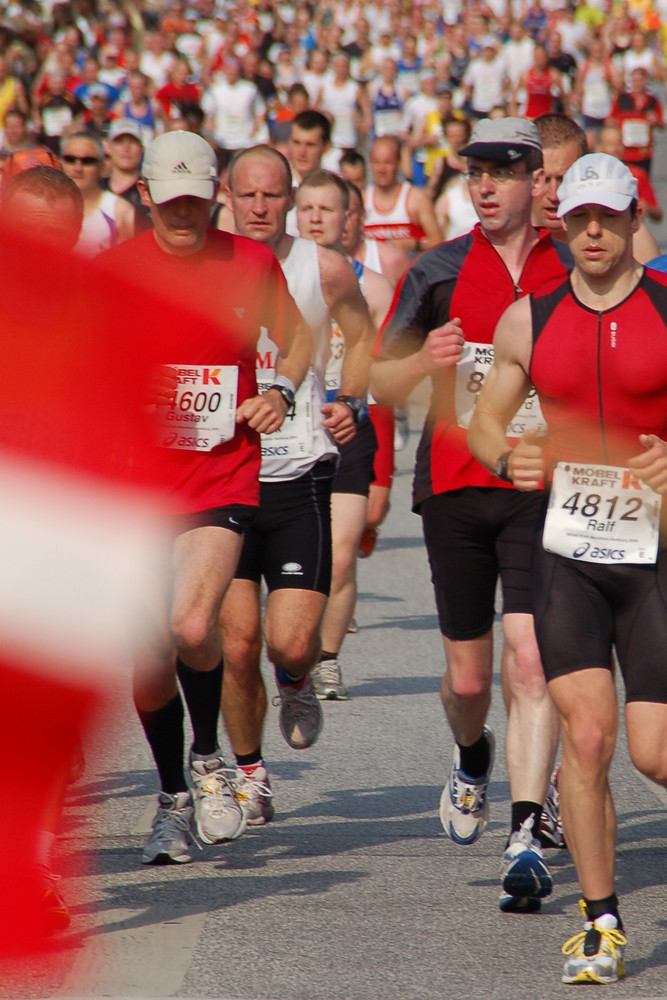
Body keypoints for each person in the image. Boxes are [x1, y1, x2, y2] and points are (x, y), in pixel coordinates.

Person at [467, 151, 667, 985]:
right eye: (578, 217)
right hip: (568, 554)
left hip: (654, 557)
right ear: (562, 221)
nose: (592, 231)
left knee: (655, 753)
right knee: (585, 736)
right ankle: (600, 922)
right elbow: (481, 420)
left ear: (631, 222)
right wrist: (506, 455)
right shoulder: (527, 318)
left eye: (607, 218)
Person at [371, 118, 571, 913]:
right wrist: (427, 360)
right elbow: (379, 380)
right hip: (453, 487)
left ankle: (525, 832)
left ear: (535, 180)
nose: (484, 185)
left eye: (502, 170)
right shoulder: (439, 268)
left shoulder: (570, 268)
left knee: (529, 658)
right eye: (474, 172)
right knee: (467, 677)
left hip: (537, 487)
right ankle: (470, 753)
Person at [99, 130, 312, 865]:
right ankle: (172, 800)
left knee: (193, 626)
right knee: (150, 656)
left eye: (197, 199)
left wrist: (279, 389)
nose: (184, 214)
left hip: (219, 475)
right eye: (171, 200)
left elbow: (298, 337)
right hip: (132, 487)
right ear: (146, 194)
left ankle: (208, 757)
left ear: (211, 195)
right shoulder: (116, 271)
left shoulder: (248, 262)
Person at [220, 145, 374, 821]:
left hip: (296, 471)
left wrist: (352, 400)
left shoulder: (324, 267)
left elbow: (362, 334)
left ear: (289, 198)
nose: (259, 208)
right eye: (246, 195)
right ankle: (249, 770)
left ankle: (295, 676)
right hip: (219, 477)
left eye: (272, 196)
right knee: (234, 641)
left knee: (285, 641)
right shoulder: (203, 263)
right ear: (226, 195)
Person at [295, 169, 393, 699]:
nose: (315, 218)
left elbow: (390, 374)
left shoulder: (373, 288)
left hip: (352, 428)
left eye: (326, 209)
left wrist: (387, 474)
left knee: (340, 552)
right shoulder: (274, 276)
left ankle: (327, 660)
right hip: (290, 427)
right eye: (306, 208)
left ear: (347, 218)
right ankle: (295, 653)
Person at [533, 112, 660, 265]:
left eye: (564, 179)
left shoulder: (631, 238)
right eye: (543, 180)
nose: (553, 195)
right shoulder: (507, 242)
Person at [364, 134, 442, 253]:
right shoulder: (361, 200)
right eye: (377, 163)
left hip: (408, 269)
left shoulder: (416, 199)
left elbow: (439, 243)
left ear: (399, 163)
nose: (382, 170)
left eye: (388, 163)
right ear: (369, 164)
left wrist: (416, 245)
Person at [61, 132, 134, 255]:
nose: (78, 168)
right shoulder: (47, 208)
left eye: (87, 161)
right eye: (70, 159)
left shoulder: (120, 211)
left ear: (102, 166)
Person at [101, 118, 152, 233]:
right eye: (120, 142)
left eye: (132, 142)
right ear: (109, 147)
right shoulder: (96, 188)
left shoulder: (148, 192)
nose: (126, 148)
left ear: (142, 148)